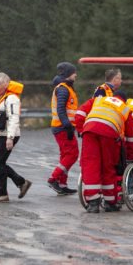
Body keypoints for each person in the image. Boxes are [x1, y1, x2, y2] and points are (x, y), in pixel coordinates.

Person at [75, 90, 133, 213]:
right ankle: (110, 202)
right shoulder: (125, 109)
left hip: (90, 131)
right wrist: (131, 156)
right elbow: (131, 138)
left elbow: (79, 114)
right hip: (110, 134)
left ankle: (93, 202)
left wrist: (82, 130)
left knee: (90, 165)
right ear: (124, 101)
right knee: (108, 167)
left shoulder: (98, 99)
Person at [0, 72, 32, 204]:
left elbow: (13, 118)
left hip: (8, 135)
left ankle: (3, 193)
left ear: (7, 84)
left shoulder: (11, 98)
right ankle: (19, 184)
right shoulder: (1, 97)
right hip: (1, 134)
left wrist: (10, 137)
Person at [47, 62, 79, 195]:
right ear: (67, 74)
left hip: (62, 127)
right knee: (72, 154)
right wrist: (68, 126)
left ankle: (62, 183)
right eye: (73, 73)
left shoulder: (66, 88)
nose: (76, 75)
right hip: (63, 128)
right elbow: (61, 110)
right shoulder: (63, 89)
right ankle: (53, 179)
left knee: (66, 155)